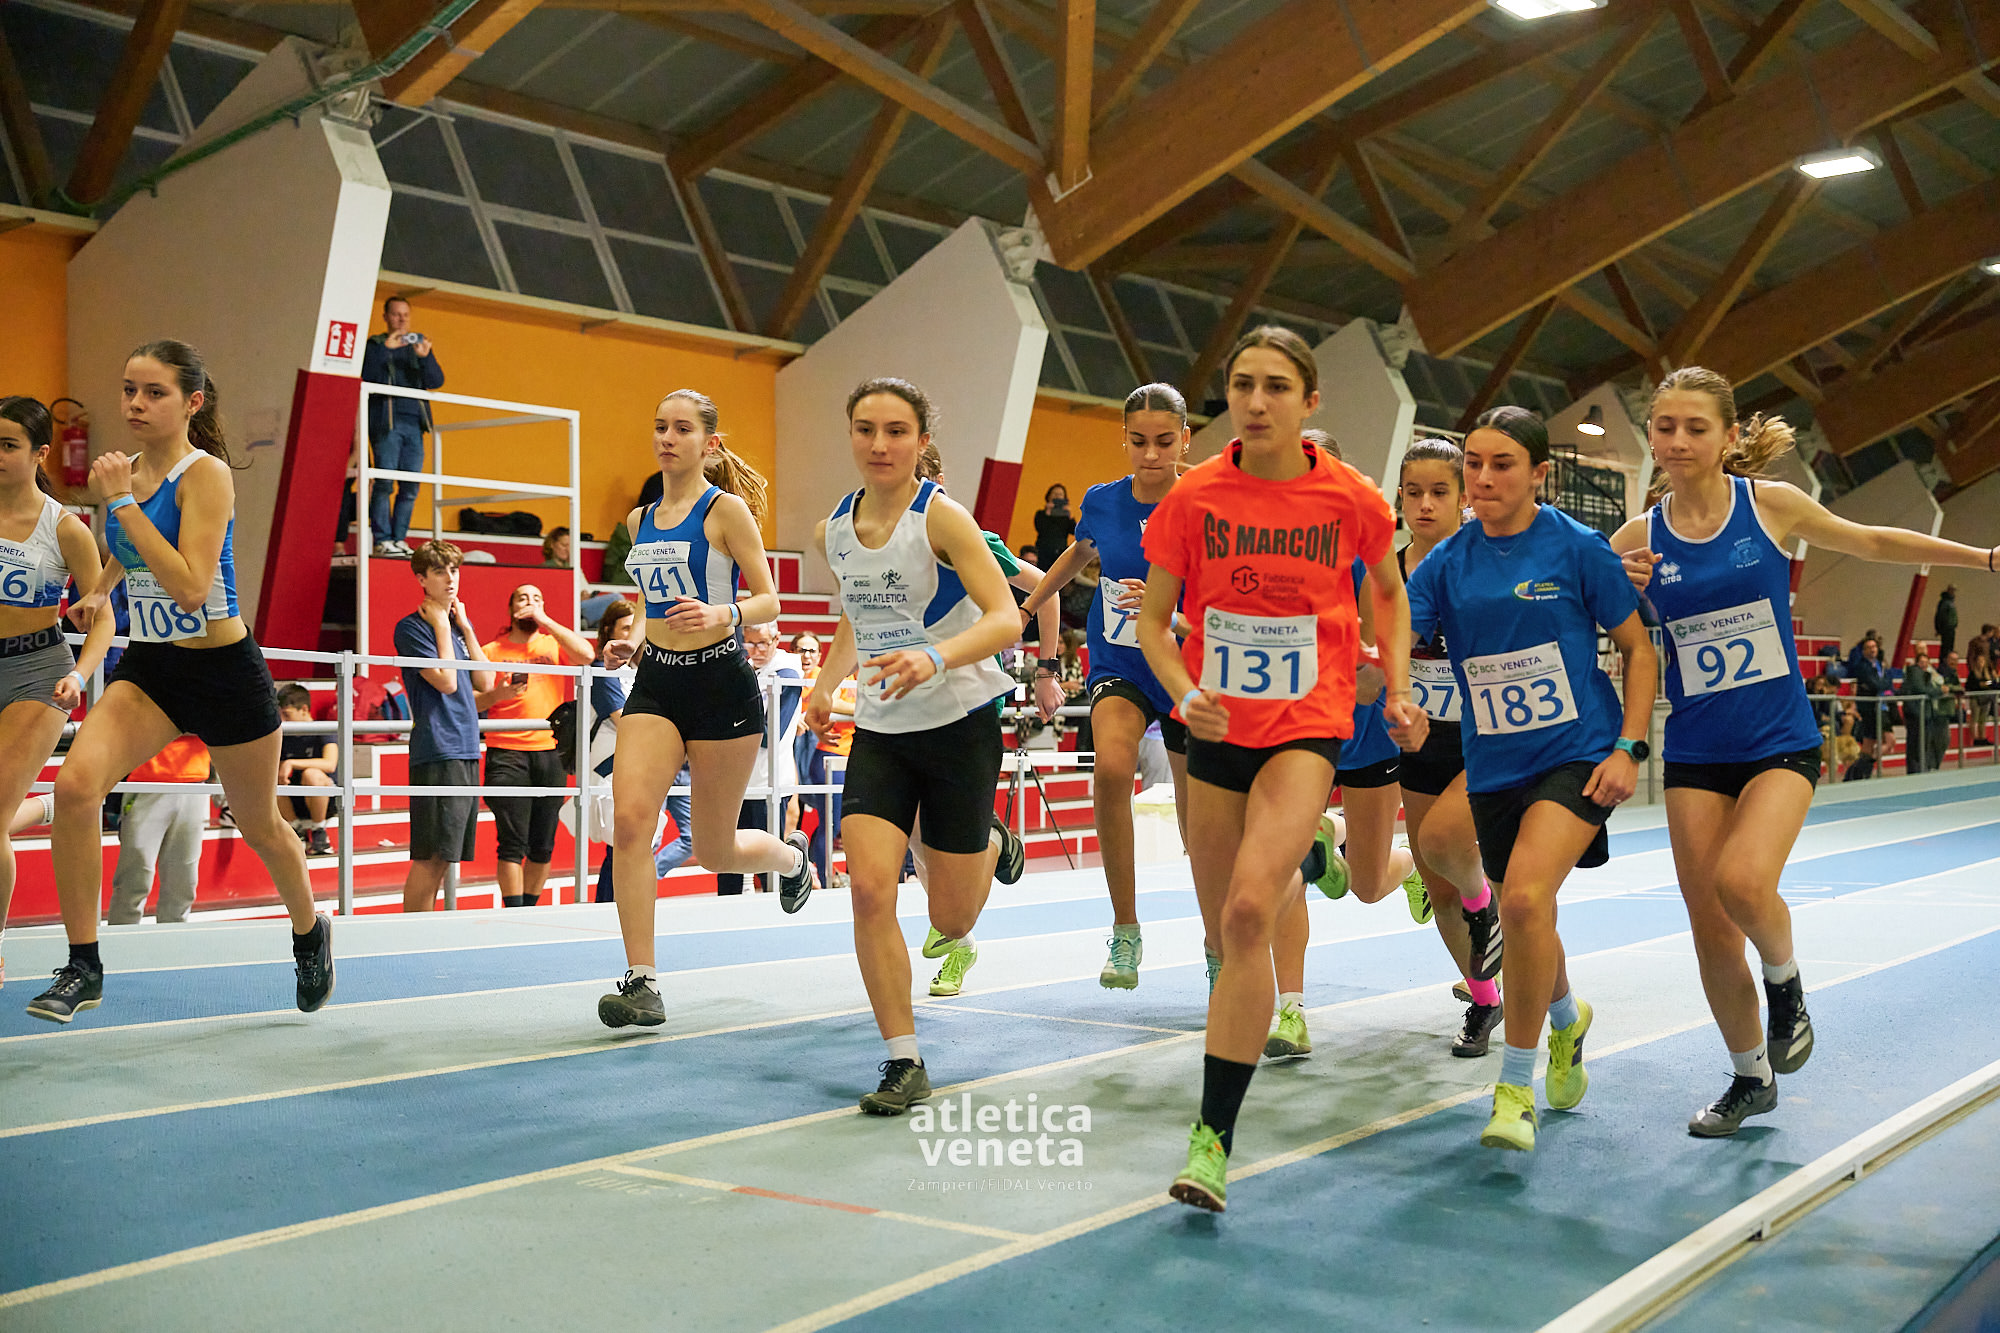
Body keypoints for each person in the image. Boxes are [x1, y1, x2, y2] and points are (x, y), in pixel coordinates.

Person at [1614, 363, 1996, 1138]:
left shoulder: (1770, 505)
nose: (1678, 440)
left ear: (1728, 435)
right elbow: (1571, 604)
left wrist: (1986, 559)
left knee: (1743, 882)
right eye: (1665, 426)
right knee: (1709, 925)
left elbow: (1873, 540)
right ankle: (1749, 1076)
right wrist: (1615, 583)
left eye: (1695, 427)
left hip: (1778, 741)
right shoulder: (1637, 537)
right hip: (1694, 749)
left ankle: (1784, 982)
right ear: (1651, 435)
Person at [1138, 327, 1419, 1211]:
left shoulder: (1350, 496)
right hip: (1217, 727)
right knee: (1227, 937)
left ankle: (1211, 1139)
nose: (1256, 402)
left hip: (1308, 724)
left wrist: (1398, 686)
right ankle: (1308, 858)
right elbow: (1152, 623)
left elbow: (1390, 591)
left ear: (1309, 400)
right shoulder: (1193, 495)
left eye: (1276, 386)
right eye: (1242, 385)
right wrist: (1186, 693)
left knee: (1250, 908)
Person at [32, 341, 333, 1024]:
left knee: (260, 823)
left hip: (224, 671)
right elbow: (131, 548)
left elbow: (192, 588)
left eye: (154, 392)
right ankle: (83, 964)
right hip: (154, 668)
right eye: (128, 389)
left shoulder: (208, 475)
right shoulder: (130, 472)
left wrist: (120, 502)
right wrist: (102, 588)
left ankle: (309, 931)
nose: (135, 404)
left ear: (192, 402)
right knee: (75, 788)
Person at [1409, 405, 1656, 1154]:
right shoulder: (1444, 563)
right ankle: (1567, 1019)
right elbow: (1393, 645)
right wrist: (1389, 694)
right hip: (1494, 765)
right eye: (1474, 464)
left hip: (1577, 752)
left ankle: (1514, 1089)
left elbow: (1639, 650)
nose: (1483, 478)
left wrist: (1630, 748)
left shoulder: (1577, 548)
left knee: (1520, 900)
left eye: (1502, 464)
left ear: (1539, 474)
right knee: (1524, 914)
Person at [805, 377, 1022, 1115]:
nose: (879, 444)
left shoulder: (943, 519)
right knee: (870, 888)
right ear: (851, 435)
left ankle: (988, 841)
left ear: (921, 441)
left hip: (959, 725)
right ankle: (904, 1058)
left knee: (950, 921)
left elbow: (1006, 618)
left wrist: (935, 657)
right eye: (865, 429)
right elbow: (856, 615)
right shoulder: (834, 530)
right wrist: (824, 684)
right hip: (881, 732)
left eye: (896, 431)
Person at [597, 389, 814, 1029]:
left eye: (682, 428)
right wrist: (633, 641)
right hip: (657, 685)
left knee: (715, 850)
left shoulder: (726, 512)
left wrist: (725, 613)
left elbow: (771, 600)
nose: (667, 437)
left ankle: (792, 859)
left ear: (709, 444)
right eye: (660, 426)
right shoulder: (638, 520)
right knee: (631, 823)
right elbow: (648, 602)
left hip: (722, 685)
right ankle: (642, 981)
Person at [1264, 429, 1430, 1061]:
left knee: (1364, 885)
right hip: (1294, 728)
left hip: (1362, 729)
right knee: (1285, 868)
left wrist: (1371, 674)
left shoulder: (1366, 544)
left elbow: (1384, 637)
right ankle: (1291, 1011)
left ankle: (1407, 863)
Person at [1021, 382, 1192, 990]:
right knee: (1112, 771)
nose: (1151, 454)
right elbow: (1078, 554)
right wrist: (1028, 607)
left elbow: (1227, 591)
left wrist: (1171, 611)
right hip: (1120, 659)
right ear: (1123, 439)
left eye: (1164, 441)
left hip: (1186, 665)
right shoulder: (1101, 500)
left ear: (1185, 440)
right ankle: (1125, 929)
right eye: (1139, 441)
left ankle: (1218, 944)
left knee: (1196, 819)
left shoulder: (1203, 503)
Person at [0, 396, 117, 993]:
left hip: (37, 672)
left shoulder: (65, 526)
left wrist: (81, 674)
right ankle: (39, 806)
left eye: (8, 445)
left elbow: (103, 617)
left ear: (40, 453)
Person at [395, 539, 497, 912]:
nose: (450, 578)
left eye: (454, 570)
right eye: (440, 572)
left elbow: (485, 681)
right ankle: (411, 933)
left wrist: (464, 627)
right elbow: (448, 681)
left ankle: (423, 930)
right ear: (421, 579)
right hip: (438, 747)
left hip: (466, 746)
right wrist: (440, 625)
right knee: (431, 855)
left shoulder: (456, 628)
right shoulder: (411, 628)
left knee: (445, 857)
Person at [479, 583, 594, 907]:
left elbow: (587, 655)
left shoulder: (552, 643)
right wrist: (497, 695)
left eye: (537, 598)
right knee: (511, 843)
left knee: (543, 844)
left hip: (550, 752)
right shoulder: (491, 650)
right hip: (506, 751)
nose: (530, 602)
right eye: (523, 598)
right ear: (511, 608)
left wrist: (545, 620)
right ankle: (513, 913)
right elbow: (472, 701)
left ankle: (528, 909)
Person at [715, 621, 804, 895]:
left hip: (767, 783)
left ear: (777, 639)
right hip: (737, 782)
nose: (755, 650)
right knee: (725, 859)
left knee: (768, 867)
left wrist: (727, 723)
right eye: (750, 643)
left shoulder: (786, 674)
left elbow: (769, 735)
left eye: (762, 643)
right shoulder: (747, 668)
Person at [360, 295, 444, 559]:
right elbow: (367, 375)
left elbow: (436, 380)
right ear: (385, 317)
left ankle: (399, 538)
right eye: (396, 314)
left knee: (411, 487)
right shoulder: (375, 346)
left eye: (406, 315)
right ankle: (382, 540)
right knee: (385, 483)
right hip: (386, 423)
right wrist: (387, 348)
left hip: (415, 423)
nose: (401, 320)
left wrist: (425, 357)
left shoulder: (416, 345)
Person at [106, 734, 211, 924]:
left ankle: (173, 939)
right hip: (146, 782)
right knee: (134, 878)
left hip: (195, 783)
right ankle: (122, 937)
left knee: (183, 879)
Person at [275, 682, 338, 856]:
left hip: (323, 798)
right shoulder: (282, 734)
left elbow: (330, 763)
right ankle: (296, 831)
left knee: (312, 774)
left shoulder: (324, 729)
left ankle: (319, 832)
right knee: (269, 776)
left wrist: (291, 763)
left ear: (304, 709)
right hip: (292, 800)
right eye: (280, 715)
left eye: (287, 714)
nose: (283, 720)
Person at [1901, 647, 1948, 774]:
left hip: (1924, 713)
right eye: (1922, 662)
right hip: (1916, 714)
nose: (1924, 665)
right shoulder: (1915, 673)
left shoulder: (1926, 675)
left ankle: (1920, 768)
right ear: (1917, 662)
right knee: (1916, 744)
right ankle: (1915, 770)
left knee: (1923, 744)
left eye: (1926, 662)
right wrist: (1939, 690)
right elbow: (1922, 689)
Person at [1033, 483, 1075, 572]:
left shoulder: (1065, 517)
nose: (1057, 496)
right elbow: (1040, 528)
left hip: (1060, 552)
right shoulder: (1041, 514)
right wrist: (1048, 511)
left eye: (1060, 494)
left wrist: (1070, 516)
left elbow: (1074, 531)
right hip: (1043, 551)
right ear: (1048, 496)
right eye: (1055, 494)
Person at [1965, 643, 1996, 743]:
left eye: (1982, 661)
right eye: (1979, 661)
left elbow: (1991, 683)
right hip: (1975, 698)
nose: (1981, 663)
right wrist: (1981, 684)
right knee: (1975, 718)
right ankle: (1974, 738)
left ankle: (1982, 737)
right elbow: (1970, 685)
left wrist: (1986, 684)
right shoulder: (1973, 673)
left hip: (1985, 698)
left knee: (1983, 719)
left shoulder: (1987, 673)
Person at [1934, 584, 1958, 659]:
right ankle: (1944, 662)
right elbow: (1940, 616)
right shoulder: (1945, 602)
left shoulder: (1950, 602)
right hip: (1946, 629)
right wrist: (1939, 629)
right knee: (1945, 649)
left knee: (1950, 648)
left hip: (1951, 629)